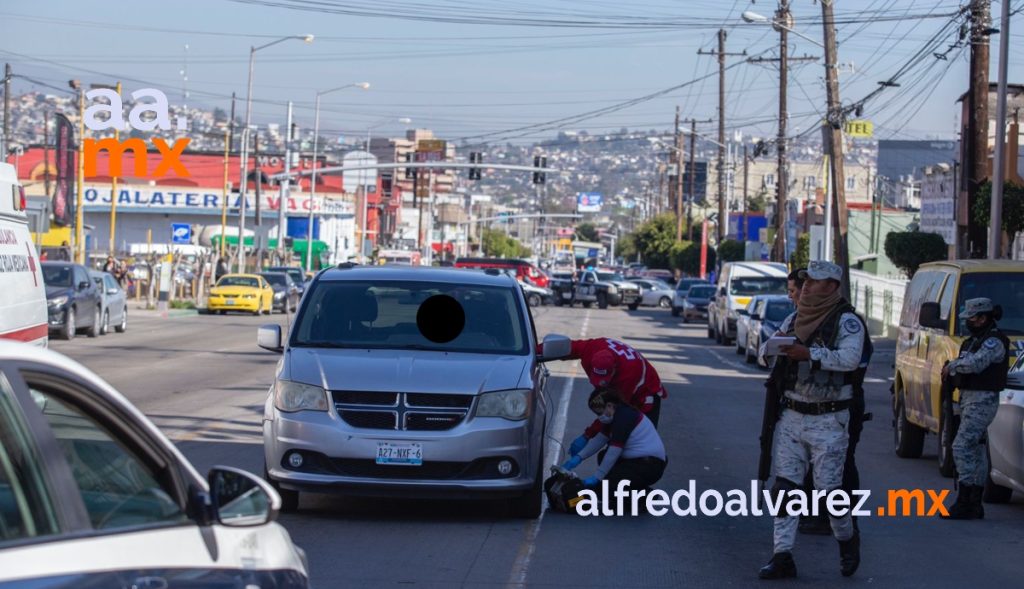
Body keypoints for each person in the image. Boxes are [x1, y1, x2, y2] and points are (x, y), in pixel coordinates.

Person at [758, 260, 864, 580]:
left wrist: (811, 355)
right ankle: (782, 555)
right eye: (804, 281)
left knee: (829, 494)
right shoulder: (794, 318)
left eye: (814, 282)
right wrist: (776, 349)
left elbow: (850, 359)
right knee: (785, 489)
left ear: (831, 286)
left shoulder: (847, 323)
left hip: (828, 419)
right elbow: (766, 349)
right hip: (792, 415)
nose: (805, 286)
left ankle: (847, 539)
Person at [940, 297, 1010, 520]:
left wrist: (952, 366)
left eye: (970, 318)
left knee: (961, 446)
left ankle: (965, 499)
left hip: (983, 400)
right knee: (976, 450)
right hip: (969, 399)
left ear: (982, 318)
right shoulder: (973, 341)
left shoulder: (994, 341)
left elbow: (976, 364)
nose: (968, 322)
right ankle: (973, 504)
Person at [542, 337, 667, 456]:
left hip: (643, 397)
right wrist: (533, 352)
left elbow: (613, 412)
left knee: (636, 448)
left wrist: (587, 435)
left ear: (614, 370)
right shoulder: (591, 348)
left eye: (604, 380)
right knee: (610, 448)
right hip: (624, 390)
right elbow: (566, 348)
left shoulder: (628, 376)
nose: (600, 385)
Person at [559, 388, 667, 491]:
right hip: (639, 462)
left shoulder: (624, 417)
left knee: (608, 489)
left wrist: (597, 477)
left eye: (599, 413)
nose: (599, 417)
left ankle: (643, 495)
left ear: (609, 406)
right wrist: (578, 458)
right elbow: (600, 440)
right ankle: (632, 487)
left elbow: (614, 451)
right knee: (603, 457)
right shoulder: (615, 415)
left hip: (649, 465)